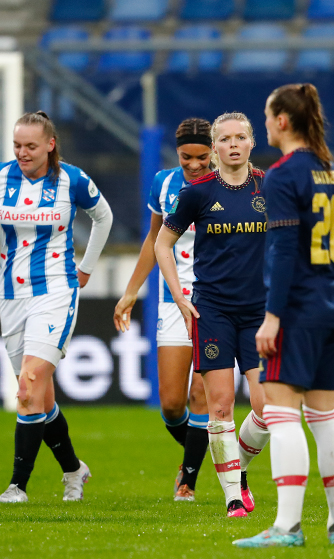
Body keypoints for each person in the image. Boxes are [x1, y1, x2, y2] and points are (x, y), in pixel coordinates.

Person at [0, 111, 113, 503]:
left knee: (29, 385)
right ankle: (73, 470)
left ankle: (18, 486)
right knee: (39, 398)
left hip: (56, 291)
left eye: (30, 146)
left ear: (50, 144)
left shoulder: (72, 180)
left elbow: (104, 216)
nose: (22, 153)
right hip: (11, 296)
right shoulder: (0, 177)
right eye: (17, 145)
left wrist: (86, 267)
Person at [235, 84, 334, 548]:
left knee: (283, 416)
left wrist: (272, 317)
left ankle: (286, 528)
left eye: (267, 116)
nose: (265, 124)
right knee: (326, 418)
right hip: (333, 306)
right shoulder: (331, 172)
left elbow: (283, 251)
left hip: (298, 311)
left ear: (283, 120)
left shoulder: (283, 176)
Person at [155, 112, 271, 518]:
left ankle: (236, 472)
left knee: (268, 408)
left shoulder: (269, 187)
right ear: (215, 146)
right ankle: (233, 499)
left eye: (241, 137)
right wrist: (179, 295)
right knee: (219, 406)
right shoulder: (198, 192)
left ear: (252, 142)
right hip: (214, 310)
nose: (233, 144)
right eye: (225, 139)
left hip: (260, 312)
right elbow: (162, 243)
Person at [113, 118, 212, 502]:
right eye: (186, 157)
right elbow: (154, 239)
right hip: (174, 301)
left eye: (202, 157)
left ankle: (188, 479)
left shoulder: (231, 183)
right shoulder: (164, 184)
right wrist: (130, 292)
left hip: (215, 300)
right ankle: (212, 453)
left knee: (201, 395)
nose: (194, 165)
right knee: (172, 405)